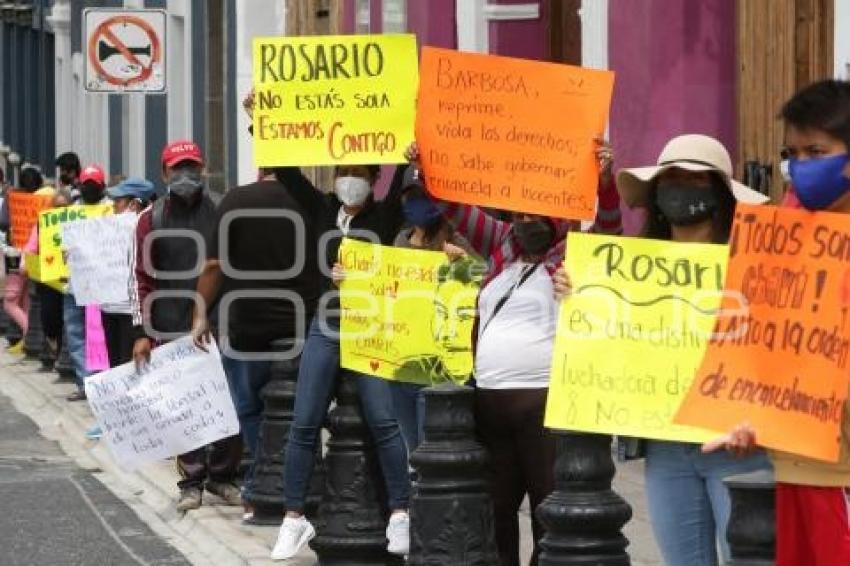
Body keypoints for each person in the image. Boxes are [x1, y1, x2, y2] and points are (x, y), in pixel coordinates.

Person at [557, 134, 771, 566]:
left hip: (737, 444)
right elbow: (609, 334)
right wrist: (579, 295)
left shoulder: (754, 265)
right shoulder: (631, 267)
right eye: (671, 179)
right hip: (665, 447)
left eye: (694, 180)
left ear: (718, 193)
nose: (681, 188)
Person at [410, 136, 620, 566]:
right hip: (490, 406)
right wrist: (425, 165)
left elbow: (612, 229)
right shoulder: (502, 243)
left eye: (537, 213)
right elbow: (454, 206)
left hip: (544, 405)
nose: (528, 221)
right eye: (521, 212)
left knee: (549, 509)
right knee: (496, 512)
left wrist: (604, 181)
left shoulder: (574, 253)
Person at [705, 80, 850, 566]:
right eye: (794, 153)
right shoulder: (780, 237)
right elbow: (769, 350)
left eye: (818, 151)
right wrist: (751, 419)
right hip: (796, 466)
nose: (802, 167)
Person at [191, 165, 322, 521]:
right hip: (303, 323)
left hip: (247, 324)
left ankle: (262, 482)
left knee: (249, 408)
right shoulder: (313, 202)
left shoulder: (237, 200)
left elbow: (214, 265)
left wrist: (201, 312)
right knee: (302, 413)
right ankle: (304, 486)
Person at [130, 140, 242, 513]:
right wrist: (142, 333)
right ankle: (191, 481)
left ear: (204, 169)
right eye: (177, 168)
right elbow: (140, 279)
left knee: (226, 404)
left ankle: (223, 477)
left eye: (192, 167)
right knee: (184, 407)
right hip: (170, 326)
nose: (185, 175)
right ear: (163, 173)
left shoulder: (223, 211)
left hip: (219, 324)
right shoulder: (150, 219)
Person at [389, 164, 479, 451]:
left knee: (431, 445)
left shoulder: (456, 240)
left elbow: (481, 281)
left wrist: (462, 262)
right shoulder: (400, 241)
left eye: (426, 196)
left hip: (441, 366)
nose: (419, 203)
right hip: (404, 362)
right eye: (413, 197)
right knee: (411, 446)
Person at [65, 165, 110, 401]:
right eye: (87, 184)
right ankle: (86, 384)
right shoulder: (70, 213)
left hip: (101, 287)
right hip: (74, 285)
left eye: (94, 183)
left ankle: (100, 383)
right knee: (75, 335)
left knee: (97, 336)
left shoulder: (110, 211)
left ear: (102, 186)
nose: (90, 188)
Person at [101, 177, 155, 367]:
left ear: (134, 204)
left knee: (131, 366)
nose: (113, 205)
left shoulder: (148, 226)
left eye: (118, 200)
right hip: (110, 306)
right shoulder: (110, 228)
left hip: (131, 312)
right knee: (116, 365)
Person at [2, 166, 45, 353]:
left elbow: (3, 222)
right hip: (35, 255)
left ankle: (30, 335)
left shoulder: (13, 201)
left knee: (10, 301)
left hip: (15, 254)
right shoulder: (44, 202)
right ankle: (29, 339)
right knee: (26, 298)